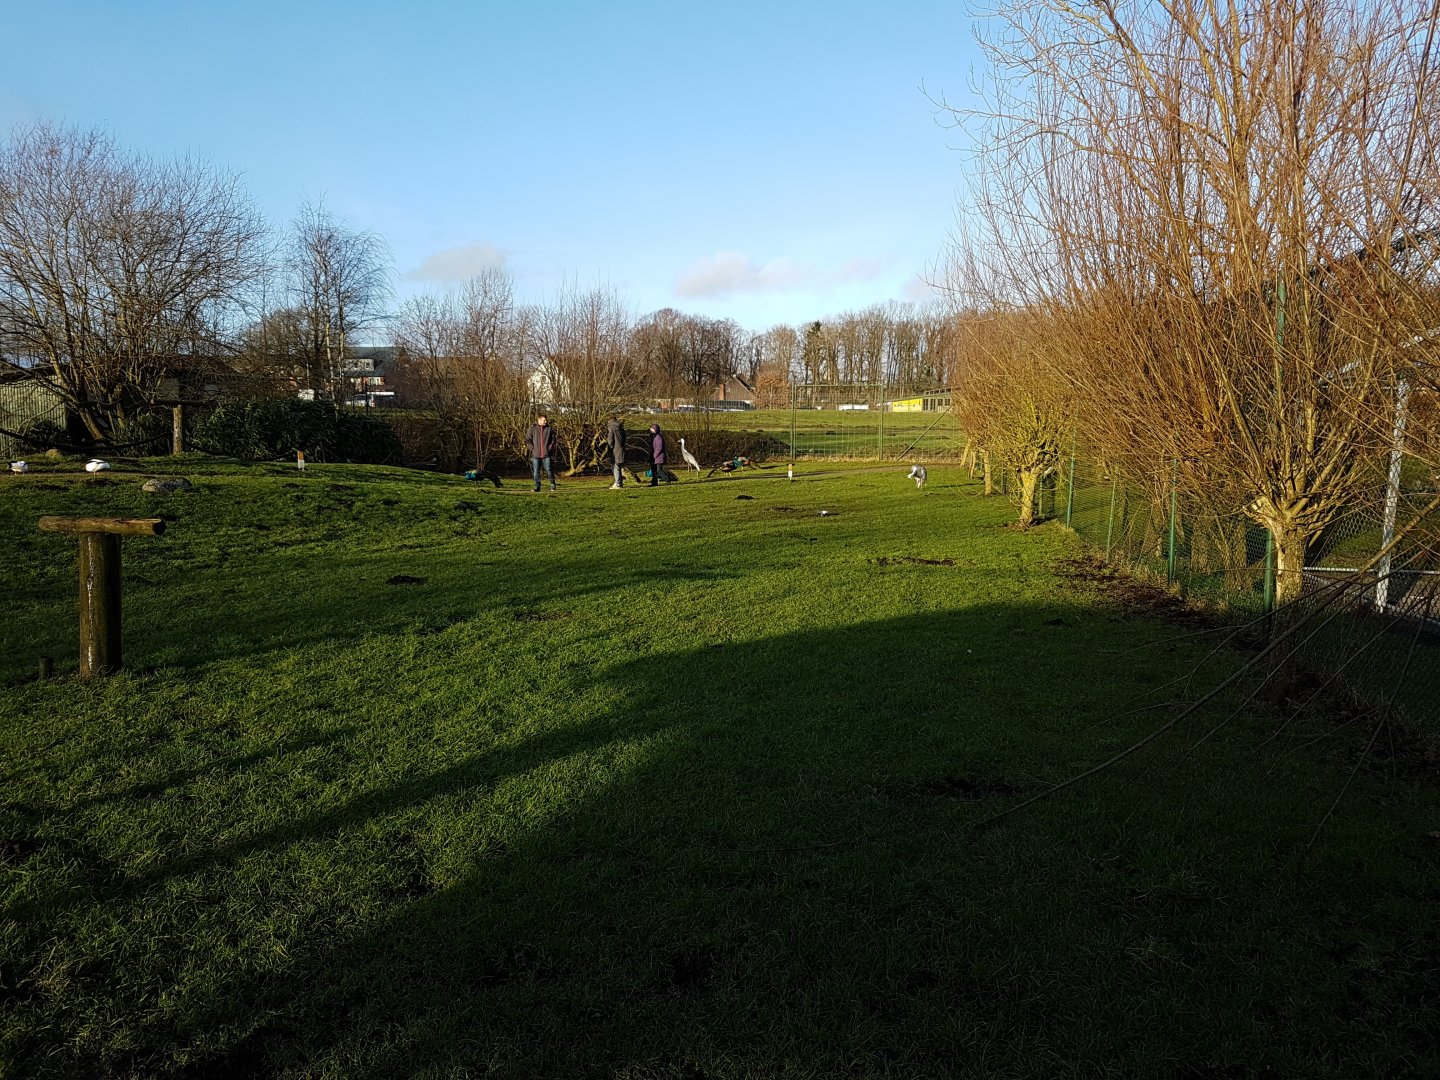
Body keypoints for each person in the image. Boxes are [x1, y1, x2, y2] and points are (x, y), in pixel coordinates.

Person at [526, 413, 557, 491]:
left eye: (546, 420)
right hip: (535, 454)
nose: (545, 421)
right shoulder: (532, 429)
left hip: (546, 454)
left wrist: (549, 448)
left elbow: (553, 440)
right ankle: (537, 486)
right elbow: (528, 440)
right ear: (539, 420)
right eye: (544, 420)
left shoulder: (549, 429)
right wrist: (532, 449)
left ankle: (553, 484)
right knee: (536, 471)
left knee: (548, 469)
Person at [606, 414, 626, 489]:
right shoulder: (620, 427)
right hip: (621, 448)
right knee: (618, 466)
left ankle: (618, 483)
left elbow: (610, 439)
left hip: (615, 449)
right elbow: (624, 438)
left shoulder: (611, 427)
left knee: (615, 466)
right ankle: (619, 482)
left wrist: (610, 446)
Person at [648, 422, 668, 486]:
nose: (651, 431)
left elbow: (659, 448)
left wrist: (654, 455)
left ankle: (668, 479)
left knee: (659, 470)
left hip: (658, 457)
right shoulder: (653, 437)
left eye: (652, 429)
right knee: (654, 470)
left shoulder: (658, 437)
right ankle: (654, 482)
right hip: (654, 457)